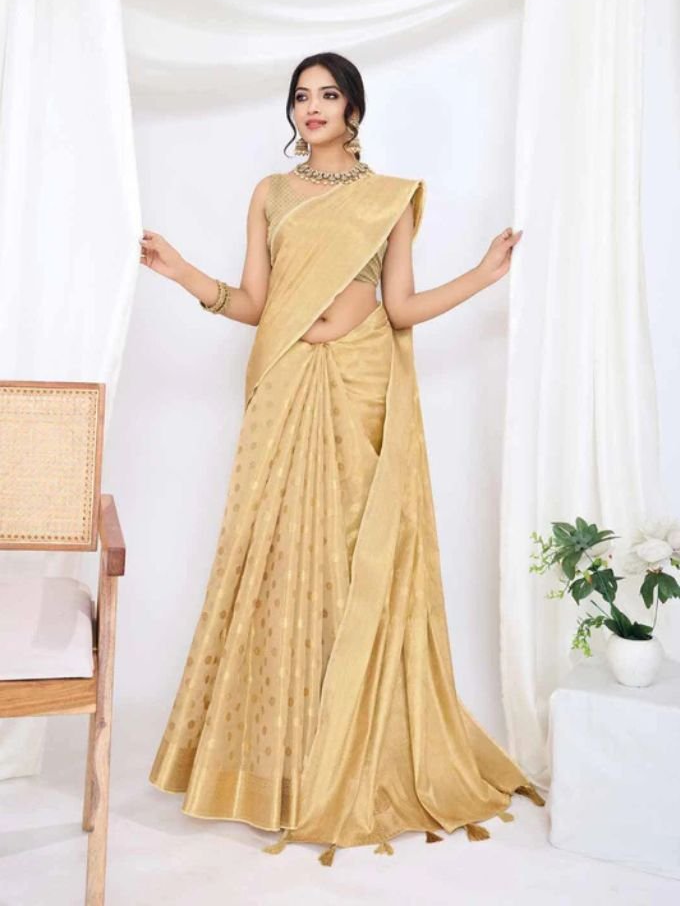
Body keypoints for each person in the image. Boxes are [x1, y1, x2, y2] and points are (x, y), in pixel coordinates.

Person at [142, 51, 541, 867]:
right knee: (277, 564)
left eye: (328, 94)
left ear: (354, 109)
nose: (313, 107)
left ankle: (349, 756)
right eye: (301, 96)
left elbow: (401, 307)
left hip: (360, 386)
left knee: (350, 564)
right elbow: (256, 304)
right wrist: (182, 273)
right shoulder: (270, 193)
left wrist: (482, 275)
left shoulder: (388, 198)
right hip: (286, 383)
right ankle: (279, 769)